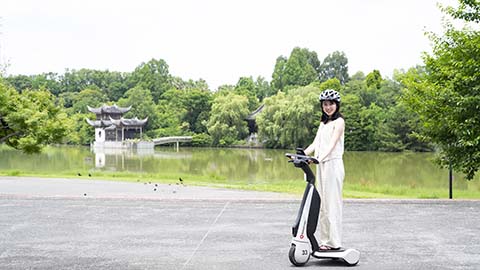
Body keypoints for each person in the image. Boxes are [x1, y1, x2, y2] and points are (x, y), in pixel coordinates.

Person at [304, 89, 345, 251]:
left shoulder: (339, 122)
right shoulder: (323, 123)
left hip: (332, 165)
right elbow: (316, 144)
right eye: (325, 104)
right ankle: (324, 241)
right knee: (321, 204)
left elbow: (332, 144)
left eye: (331, 104)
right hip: (321, 165)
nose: (328, 107)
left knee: (332, 204)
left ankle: (334, 242)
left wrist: (319, 158)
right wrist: (301, 155)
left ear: (337, 105)